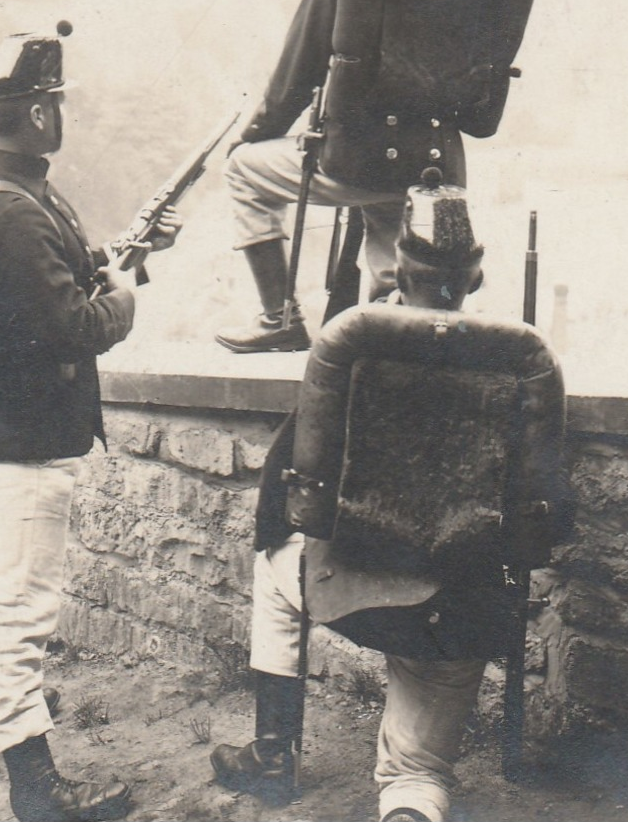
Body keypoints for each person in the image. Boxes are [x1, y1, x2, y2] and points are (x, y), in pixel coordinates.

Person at [209, 179, 567, 822]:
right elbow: (543, 516)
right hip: (465, 605)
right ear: (477, 276)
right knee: (416, 779)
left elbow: (297, 504)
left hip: (351, 586)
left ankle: (274, 753)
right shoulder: (524, 358)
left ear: (397, 266)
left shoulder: (352, 341)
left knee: (271, 568)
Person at [0, 28, 175, 822]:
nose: (60, 116)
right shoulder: (19, 210)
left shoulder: (4, 196)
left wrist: (123, 258)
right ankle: (35, 787)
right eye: (57, 104)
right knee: (23, 602)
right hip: (31, 434)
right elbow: (71, 323)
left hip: (0, 426)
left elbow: (48, 286)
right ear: (39, 112)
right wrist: (126, 299)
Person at [218, 0, 532, 353]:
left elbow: (297, 72)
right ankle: (399, 340)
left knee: (245, 173)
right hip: (434, 162)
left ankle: (278, 318)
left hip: (359, 155)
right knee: (394, 256)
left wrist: (252, 134)